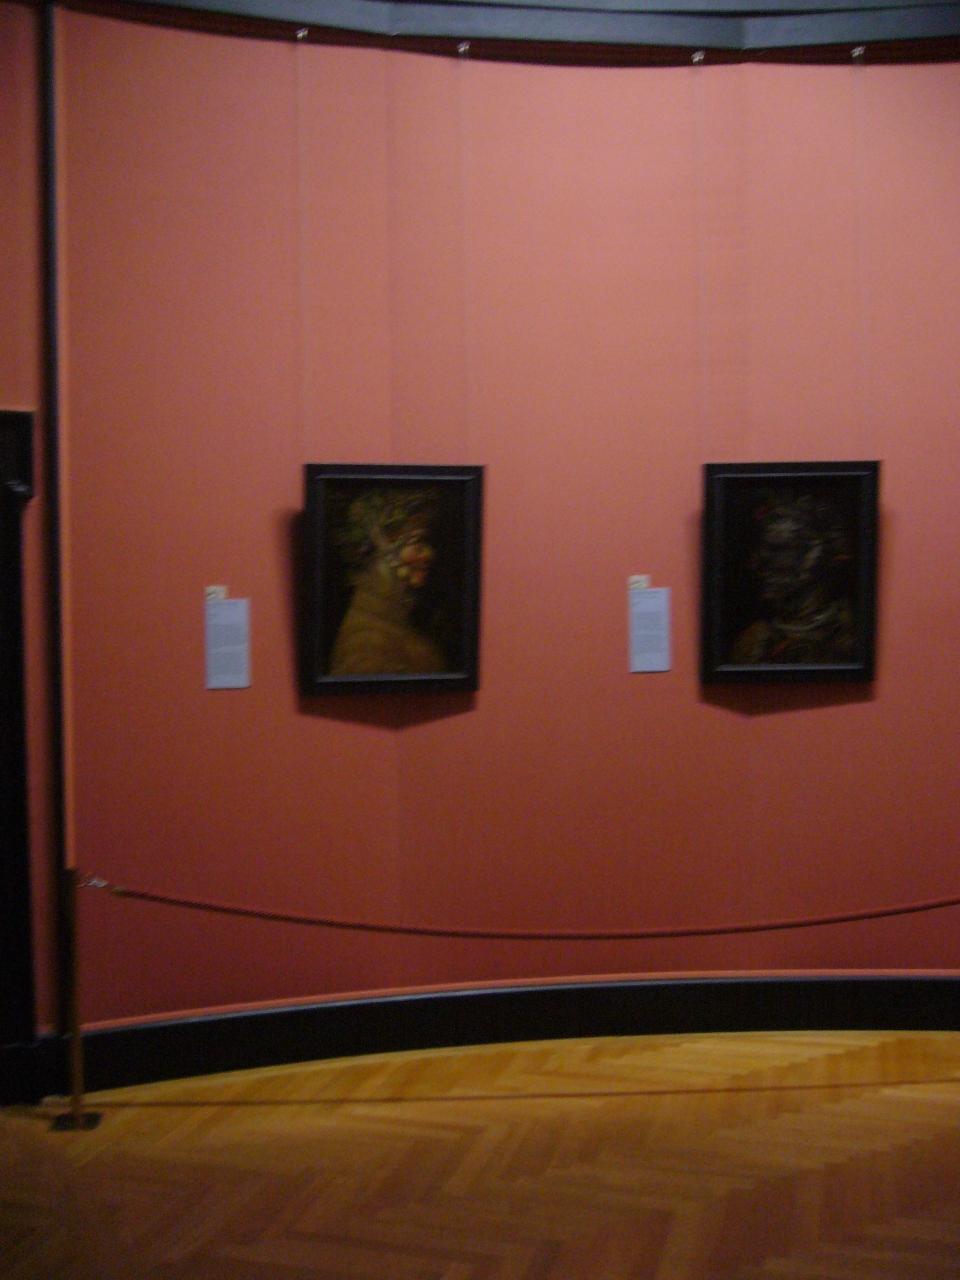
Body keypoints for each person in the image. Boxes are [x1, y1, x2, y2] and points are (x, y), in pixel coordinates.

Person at [328, 487, 448, 676]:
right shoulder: (364, 643)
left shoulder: (393, 621)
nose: (428, 554)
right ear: (381, 547)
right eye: (417, 543)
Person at [730, 490, 856, 664]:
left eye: (778, 550)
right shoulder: (753, 640)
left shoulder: (850, 634)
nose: (756, 564)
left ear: (818, 555)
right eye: (762, 550)